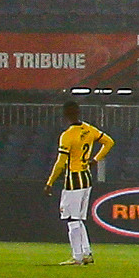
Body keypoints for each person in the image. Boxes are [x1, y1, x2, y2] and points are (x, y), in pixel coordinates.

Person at [47, 97, 114, 267]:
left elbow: (61, 163)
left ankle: (77, 257)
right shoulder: (89, 129)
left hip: (73, 179)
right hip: (86, 178)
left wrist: (50, 182)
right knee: (78, 219)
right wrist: (95, 160)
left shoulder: (67, 136)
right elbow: (109, 142)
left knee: (72, 219)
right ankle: (86, 253)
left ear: (65, 115)